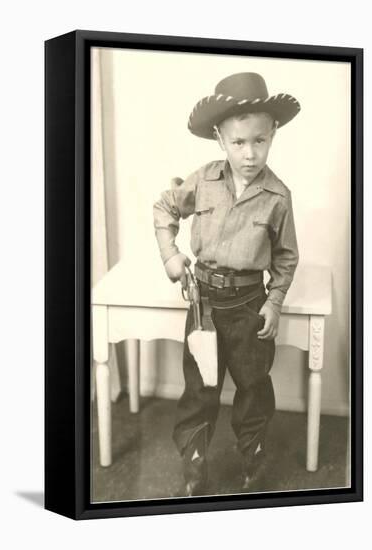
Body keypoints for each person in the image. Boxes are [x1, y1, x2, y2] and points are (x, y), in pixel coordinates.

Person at [153, 72, 300, 496]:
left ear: (273, 135)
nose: (250, 153)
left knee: (253, 387)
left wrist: (273, 304)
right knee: (201, 388)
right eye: (239, 143)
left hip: (250, 306)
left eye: (260, 141)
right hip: (204, 306)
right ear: (220, 139)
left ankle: (252, 460)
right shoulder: (203, 180)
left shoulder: (278, 196)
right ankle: (194, 465)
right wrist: (170, 254)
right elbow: (165, 207)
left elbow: (287, 258)